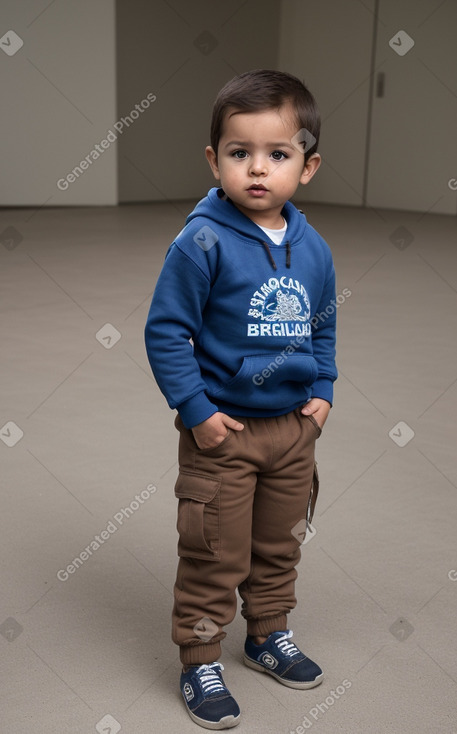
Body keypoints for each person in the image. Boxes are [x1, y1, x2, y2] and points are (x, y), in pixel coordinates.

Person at [144, 69, 337, 730]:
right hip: (223, 433)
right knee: (214, 550)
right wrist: (196, 412)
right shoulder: (200, 242)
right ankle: (200, 656)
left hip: (291, 430)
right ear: (213, 159)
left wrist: (323, 389)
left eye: (277, 155)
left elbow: (322, 323)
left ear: (306, 167)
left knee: (278, 542)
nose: (257, 169)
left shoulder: (313, 250)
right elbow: (166, 330)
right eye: (239, 153)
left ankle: (265, 636)